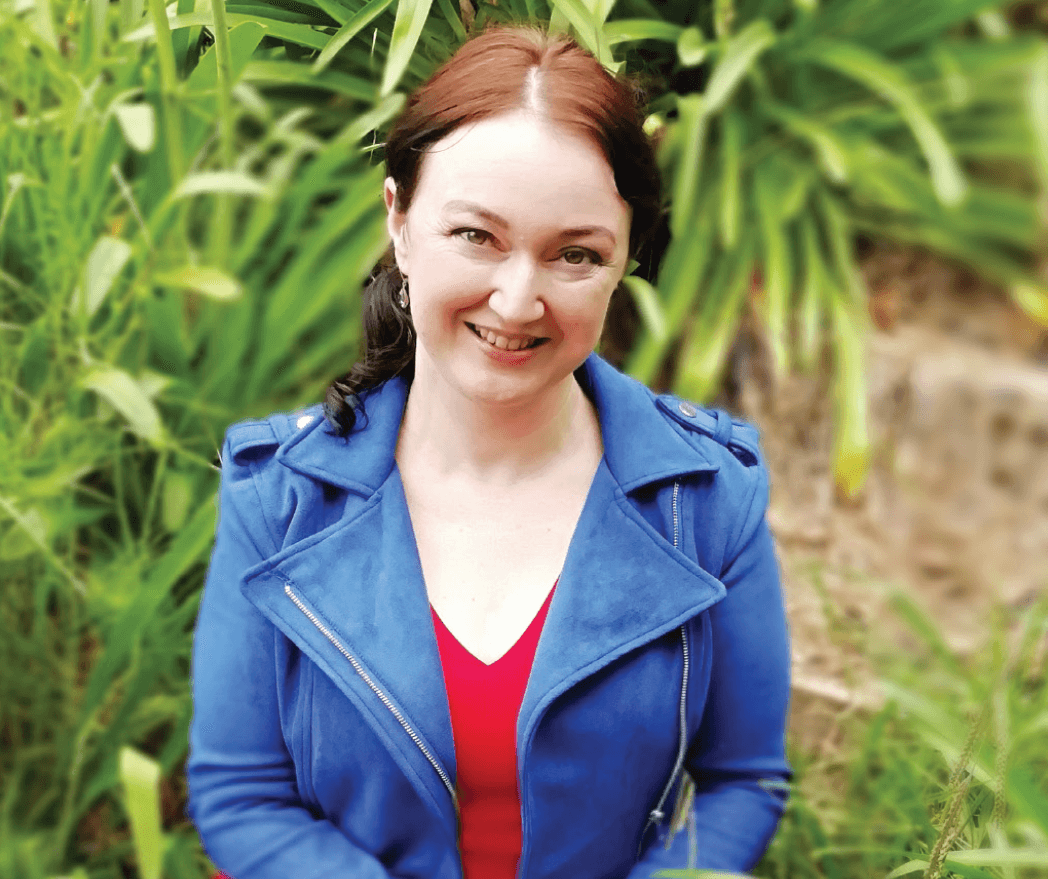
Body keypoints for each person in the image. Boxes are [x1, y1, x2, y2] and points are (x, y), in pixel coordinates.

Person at [187, 24, 791, 879]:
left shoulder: (709, 498)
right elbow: (242, 794)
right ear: (399, 221)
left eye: (574, 254)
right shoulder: (277, 497)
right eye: (477, 235)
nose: (517, 299)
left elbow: (742, 780)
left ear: (623, 262)